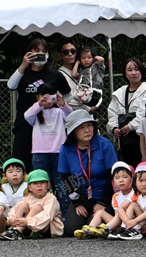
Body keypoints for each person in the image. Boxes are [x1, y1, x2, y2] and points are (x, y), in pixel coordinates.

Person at [7, 38, 71, 168]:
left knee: (47, 163)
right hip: (25, 123)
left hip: (48, 125)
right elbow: (11, 85)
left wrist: (59, 107)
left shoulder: (55, 75)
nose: (41, 53)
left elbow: (68, 94)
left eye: (44, 51)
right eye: (36, 50)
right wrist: (23, 64)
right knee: (20, 161)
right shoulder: (23, 73)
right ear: (29, 52)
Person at [58, 110, 119, 238]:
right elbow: (66, 178)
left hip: (105, 196)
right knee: (71, 229)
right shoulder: (65, 149)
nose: (87, 130)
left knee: (94, 227)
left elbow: (113, 176)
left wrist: (102, 202)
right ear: (73, 131)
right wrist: (77, 203)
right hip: (82, 197)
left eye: (89, 125)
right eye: (81, 127)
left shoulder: (105, 144)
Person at [23, 82, 72, 211]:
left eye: (51, 96)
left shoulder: (59, 112)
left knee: (62, 184)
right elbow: (27, 115)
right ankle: (43, 212)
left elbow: (71, 117)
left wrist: (63, 104)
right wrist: (39, 104)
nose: (48, 99)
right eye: (43, 96)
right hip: (40, 153)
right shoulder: (35, 114)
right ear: (37, 97)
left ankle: (64, 214)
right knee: (42, 185)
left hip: (59, 152)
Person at [108, 57, 146, 168]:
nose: (133, 73)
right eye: (130, 70)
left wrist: (130, 126)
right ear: (125, 73)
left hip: (142, 139)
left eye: (136, 69)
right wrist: (114, 128)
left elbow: (143, 113)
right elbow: (112, 113)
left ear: (141, 71)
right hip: (124, 142)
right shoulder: (119, 92)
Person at [75, 161, 134, 240]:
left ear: (132, 178)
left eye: (125, 177)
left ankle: (105, 229)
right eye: (117, 178)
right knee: (100, 212)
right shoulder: (116, 196)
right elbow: (117, 215)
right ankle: (90, 229)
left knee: (121, 211)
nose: (121, 180)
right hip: (119, 223)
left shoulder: (135, 193)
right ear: (113, 182)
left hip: (132, 222)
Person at [1, 170, 63, 239]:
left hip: (46, 228)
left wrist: (27, 221)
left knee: (37, 207)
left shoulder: (51, 198)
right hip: (29, 227)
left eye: (42, 182)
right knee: (23, 205)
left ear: (48, 185)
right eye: (35, 183)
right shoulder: (28, 197)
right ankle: (15, 228)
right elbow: (15, 208)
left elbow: (47, 216)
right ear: (29, 187)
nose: (39, 185)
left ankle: (18, 230)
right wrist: (12, 219)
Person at [111, 161, 146, 240]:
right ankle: (124, 228)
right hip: (143, 225)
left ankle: (135, 229)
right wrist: (127, 221)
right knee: (132, 205)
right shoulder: (136, 195)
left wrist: (135, 221)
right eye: (140, 180)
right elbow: (121, 208)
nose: (144, 184)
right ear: (135, 182)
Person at [71, 46, 106, 114]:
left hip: (95, 92)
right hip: (84, 94)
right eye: (83, 58)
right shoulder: (81, 70)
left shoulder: (96, 67)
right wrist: (77, 63)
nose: (86, 60)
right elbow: (74, 74)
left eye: (89, 57)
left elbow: (101, 59)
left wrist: (95, 57)